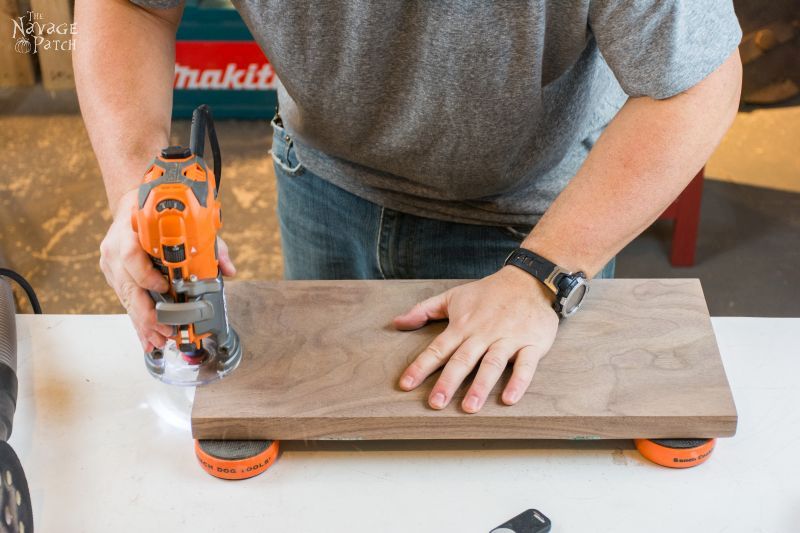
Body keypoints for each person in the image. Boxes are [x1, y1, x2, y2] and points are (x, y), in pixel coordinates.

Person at [74, 1, 742, 414]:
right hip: (320, 182)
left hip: (531, 221)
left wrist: (545, 274)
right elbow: (133, 6)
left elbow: (698, 83)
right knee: (325, 424)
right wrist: (137, 185)